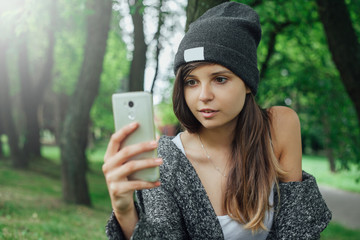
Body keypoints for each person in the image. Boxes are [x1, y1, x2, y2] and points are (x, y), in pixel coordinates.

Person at [102, 2, 331, 239]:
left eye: (220, 79)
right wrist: (125, 210)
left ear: (248, 84)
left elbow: (298, 230)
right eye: (192, 81)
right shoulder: (165, 161)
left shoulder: (278, 127)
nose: (203, 96)